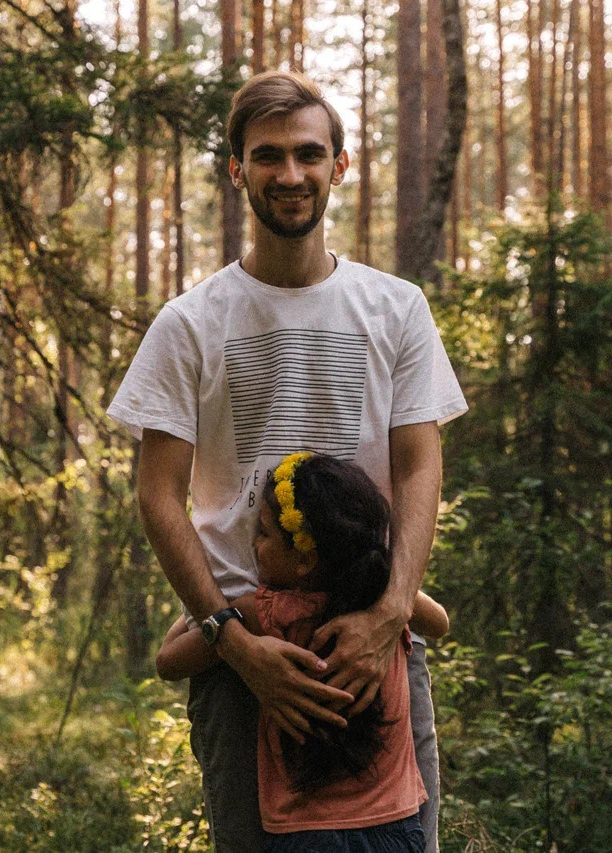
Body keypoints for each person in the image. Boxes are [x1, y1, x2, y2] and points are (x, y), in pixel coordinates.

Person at [108, 70, 467, 851]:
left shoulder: (397, 308)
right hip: (243, 660)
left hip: (377, 648)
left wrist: (387, 614)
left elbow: (419, 467)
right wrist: (235, 643)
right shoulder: (190, 323)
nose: (291, 173)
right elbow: (158, 495)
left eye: (309, 153)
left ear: (340, 165)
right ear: (237, 170)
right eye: (268, 155)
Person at [155, 452, 450, 852]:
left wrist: (212, 607)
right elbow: (440, 622)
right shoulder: (386, 609)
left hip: (303, 835)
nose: (254, 545)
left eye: (263, 534)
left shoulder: (266, 613)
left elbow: (169, 660)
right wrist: (392, 594)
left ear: (305, 559)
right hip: (396, 826)